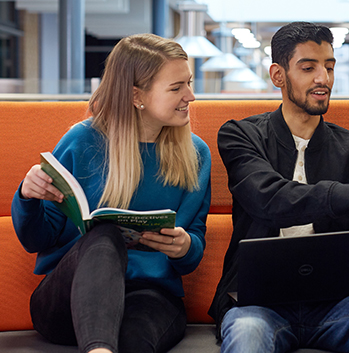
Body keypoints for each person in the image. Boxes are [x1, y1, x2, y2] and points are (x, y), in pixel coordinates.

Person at [209, 21, 349, 353]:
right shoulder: (241, 136)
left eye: (329, 67)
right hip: (258, 305)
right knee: (246, 333)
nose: (324, 79)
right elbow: (270, 199)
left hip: (338, 303)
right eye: (309, 68)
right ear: (278, 76)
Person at [11, 33, 211, 353]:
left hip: (149, 295)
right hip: (68, 297)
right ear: (136, 96)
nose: (191, 96)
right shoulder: (82, 141)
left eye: (188, 82)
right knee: (104, 234)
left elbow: (194, 250)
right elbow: (38, 240)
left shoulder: (195, 154)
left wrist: (185, 246)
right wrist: (27, 197)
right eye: (176, 88)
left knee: (135, 340)